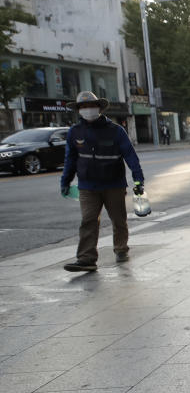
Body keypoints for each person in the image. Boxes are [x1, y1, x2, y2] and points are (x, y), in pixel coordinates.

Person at [60, 91, 145, 272]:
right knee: (88, 220)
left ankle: (121, 249)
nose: (87, 110)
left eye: (90, 106)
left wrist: (138, 180)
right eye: (82, 107)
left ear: (98, 108)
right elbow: (70, 159)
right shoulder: (75, 132)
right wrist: (65, 181)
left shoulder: (115, 131)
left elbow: (130, 156)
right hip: (88, 187)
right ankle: (86, 259)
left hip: (114, 184)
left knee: (118, 220)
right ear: (78, 110)